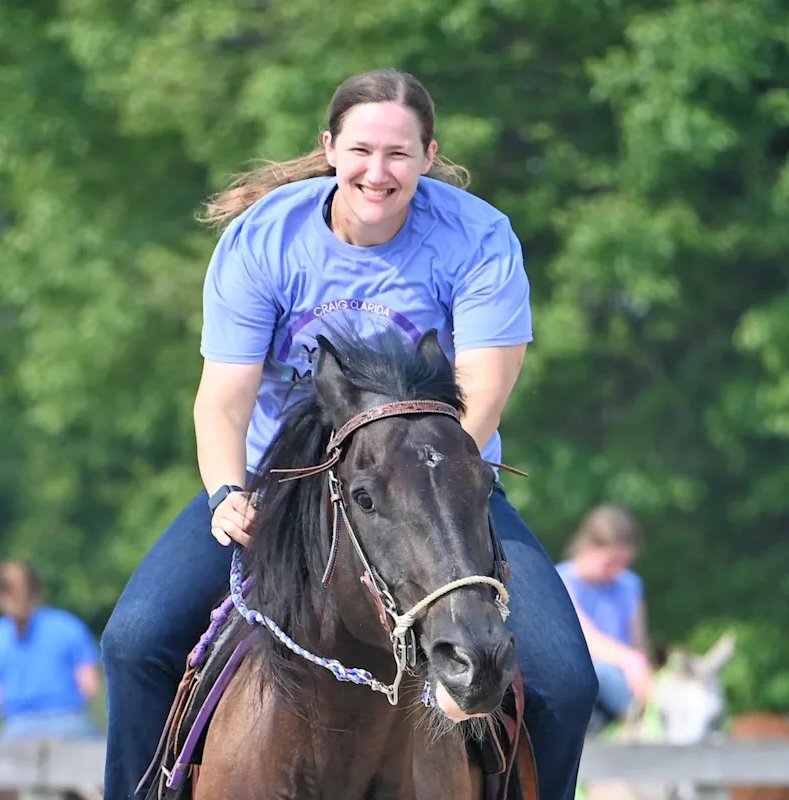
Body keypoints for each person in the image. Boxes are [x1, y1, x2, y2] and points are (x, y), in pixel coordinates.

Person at [101, 68, 598, 799]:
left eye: (399, 154)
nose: (378, 171)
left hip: (438, 492)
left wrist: (426, 490)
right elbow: (222, 402)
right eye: (362, 150)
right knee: (135, 642)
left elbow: (485, 394)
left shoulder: (479, 238)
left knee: (565, 682)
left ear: (429, 157)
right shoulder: (264, 238)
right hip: (282, 490)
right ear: (330, 148)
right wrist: (224, 493)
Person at [556, 503, 653, 728]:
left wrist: (639, 664)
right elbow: (585, 639)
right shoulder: (561, 581)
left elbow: (638, 642)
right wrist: (631, 660)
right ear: (587, 548)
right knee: (596, 671)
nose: (617, 571)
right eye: (611, 562)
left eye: (623, 563)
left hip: (626, 677)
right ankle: (643, 716)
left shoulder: (629, 585)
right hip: (586, 673)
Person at [0, 559, 101, 741]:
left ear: (0, 597)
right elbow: (90, 688)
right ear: (37, 590)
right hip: (72, 727)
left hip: (16, 732)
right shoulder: (69, 626)